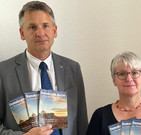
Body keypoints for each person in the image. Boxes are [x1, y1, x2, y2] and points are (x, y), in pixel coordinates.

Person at [0, 1, 88, 135]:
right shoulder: (3, 72)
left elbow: (81, 122)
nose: (40, 33)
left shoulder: (72, 69)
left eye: (45, 26)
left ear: (55, 30)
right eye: (32, 27)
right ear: (22, 33)